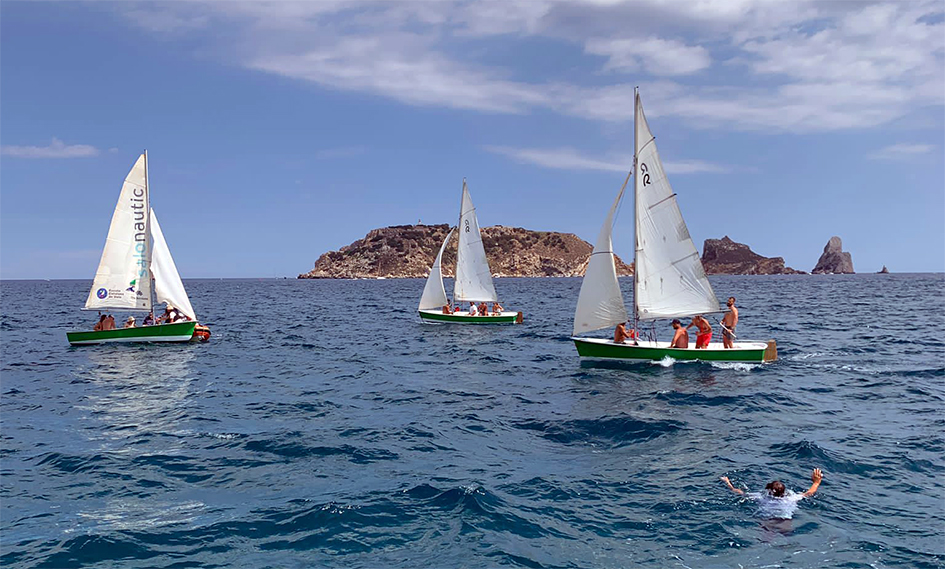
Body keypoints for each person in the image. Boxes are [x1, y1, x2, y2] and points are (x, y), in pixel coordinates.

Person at [720, 469, 823, 520]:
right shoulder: (791, 498)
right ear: (784, 491)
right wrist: (816, 482)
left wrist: (728, 483)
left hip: (768, 519)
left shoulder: (761, 497)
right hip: (784, 519)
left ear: (769, 490)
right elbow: (809, 493)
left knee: (766, 541)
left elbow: (740, 492)